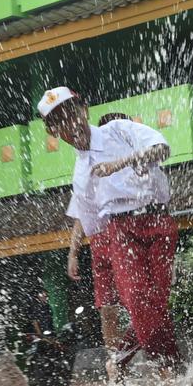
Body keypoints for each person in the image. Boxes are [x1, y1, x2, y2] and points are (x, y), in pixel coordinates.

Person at [41, 87, 179, 378]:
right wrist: (77, 252)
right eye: (61, 122)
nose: (71, 124)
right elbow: (87, 219)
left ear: (85, 109)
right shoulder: (79, 174)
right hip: (119, 232)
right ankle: (168, 367)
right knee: (137, 298)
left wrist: (122, 162)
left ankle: (120, 362)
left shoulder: (119, 130)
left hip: (159, 221)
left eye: (73, 114)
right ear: (54, 132)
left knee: (155, 303)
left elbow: (163, 149)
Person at [67, 112, 129, 368]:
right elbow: (80, 213)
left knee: (138, 302)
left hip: (125, 237)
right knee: (107, 308)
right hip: (100, 243)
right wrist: (72, 253)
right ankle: (115, 362)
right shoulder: (87, 167)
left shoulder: (129, 161)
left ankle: (137, 355)